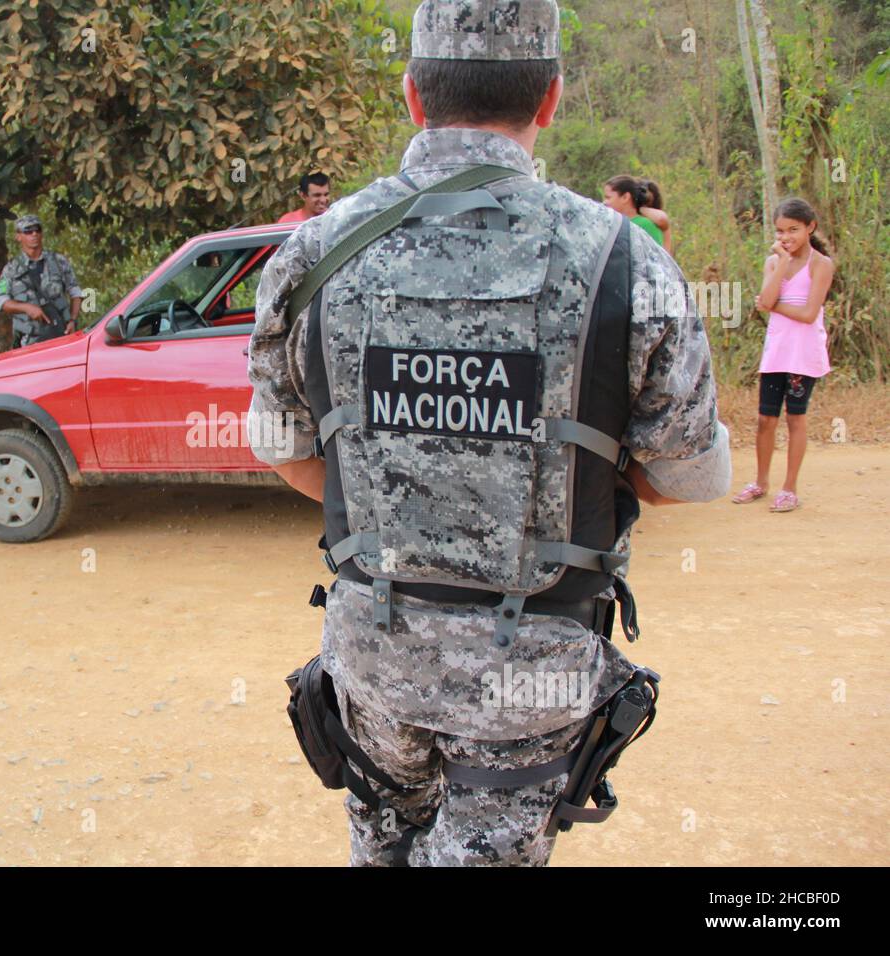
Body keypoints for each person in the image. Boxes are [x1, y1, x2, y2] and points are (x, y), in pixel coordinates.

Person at [248, 0, 730, 866]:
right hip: (533, 675)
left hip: (375, 661)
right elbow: (684, 475)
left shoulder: (309, 252)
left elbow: (287, 452)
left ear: (411, 95)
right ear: (550, 99)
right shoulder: (625, 257)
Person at [733, 198, 835, 513]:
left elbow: (806, 314)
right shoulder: (773, 262)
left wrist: (773, 306)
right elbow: (765, 296)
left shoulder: (821, 265)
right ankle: (760, 482)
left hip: (803, 353)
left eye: (793, 230)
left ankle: (789, 488)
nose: (786, 237)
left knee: (795, 418)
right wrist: (780, 265)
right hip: (777, 351)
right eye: (780, 231)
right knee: (766, 419)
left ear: (810, 228)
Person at [0, 215, 84, 349]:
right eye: (28, 231)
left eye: (37, 230)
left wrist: (73, 320)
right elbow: (1, 302)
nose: (34, 234)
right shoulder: (11, 269)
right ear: (18, 236)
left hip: (62, 339)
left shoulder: (59, 262)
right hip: (28, 345)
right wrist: (27, 308)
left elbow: (75, 292)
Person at [602, 175, 671, 251]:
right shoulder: (610, 223)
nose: (604, 202)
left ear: (625, 197)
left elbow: (656, 259)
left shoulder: (645, 225)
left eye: (608, 197)